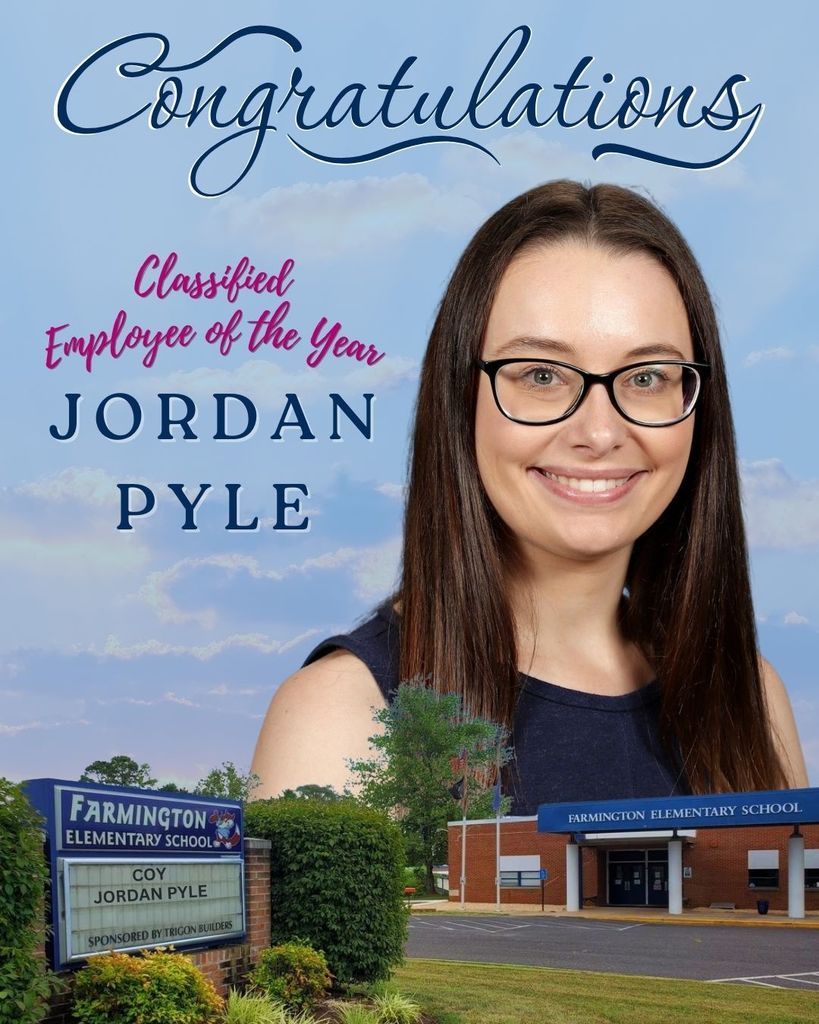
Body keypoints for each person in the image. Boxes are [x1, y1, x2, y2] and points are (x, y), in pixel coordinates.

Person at [252, 180, 808, 812]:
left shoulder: (753, 702)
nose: (600, 433)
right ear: (460, 400)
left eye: (648, 376)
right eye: (541, 375)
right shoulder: (341, 715)